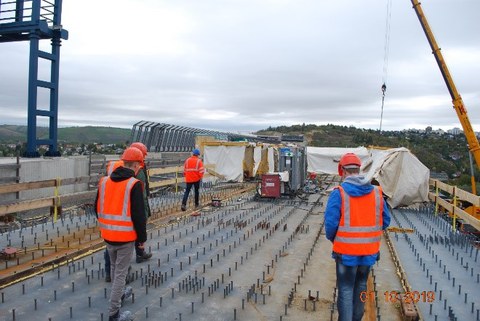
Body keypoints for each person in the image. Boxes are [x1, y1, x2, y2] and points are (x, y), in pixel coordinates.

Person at [325, 152, 390, 321]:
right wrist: (368, 235)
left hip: (346, 253)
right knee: (361, 286)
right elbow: (386, 221)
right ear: (359, 169)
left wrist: (337, 239)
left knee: (346, 290)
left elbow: (330, 226)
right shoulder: (377, 192)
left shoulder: (338, 193)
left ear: (342, 171)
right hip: (369, 252)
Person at [95, 147, 147, 321]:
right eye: (139, 166)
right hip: (125, 238)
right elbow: (139, 216)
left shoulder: (104, 181)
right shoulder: (133, 184)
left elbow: (96, 208)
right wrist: (141, 240)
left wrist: (108, 226)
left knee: (116, 268)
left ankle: (119, 294)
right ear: (135, 165)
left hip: (108, 235)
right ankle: (114, 313)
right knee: (120, 273)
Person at [129, 142, 153, 263]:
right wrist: (144, 211)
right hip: (136, 202)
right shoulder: (138, 169)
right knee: (137, 227)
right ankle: (139, 254)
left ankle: (140, 253)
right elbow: (141, 192)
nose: (144, 157)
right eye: (143, 155)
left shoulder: (138, 167)